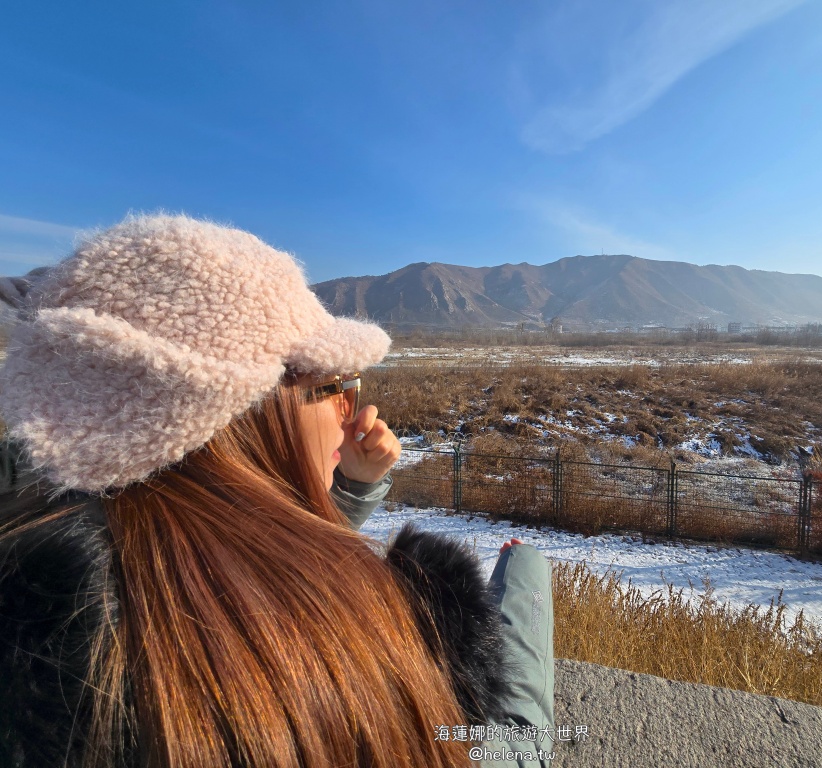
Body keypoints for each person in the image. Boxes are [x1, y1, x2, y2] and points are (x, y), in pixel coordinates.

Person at [0, 215, 554, 768]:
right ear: (240, 413)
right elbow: (512, 748)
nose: (352, 413)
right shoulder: (359, 643)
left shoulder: (62, 581)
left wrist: (351, 487)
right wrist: (525, 584)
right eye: (335, 387)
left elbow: (247, 553)